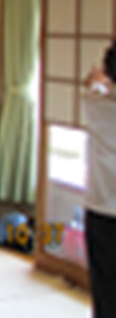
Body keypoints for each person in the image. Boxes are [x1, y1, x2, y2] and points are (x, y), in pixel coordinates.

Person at [81, 42, 116, 318]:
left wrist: (99, 77)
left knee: (104, 289)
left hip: (102, 211)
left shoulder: (97, 107)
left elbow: (91, 85)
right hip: (102, 210)